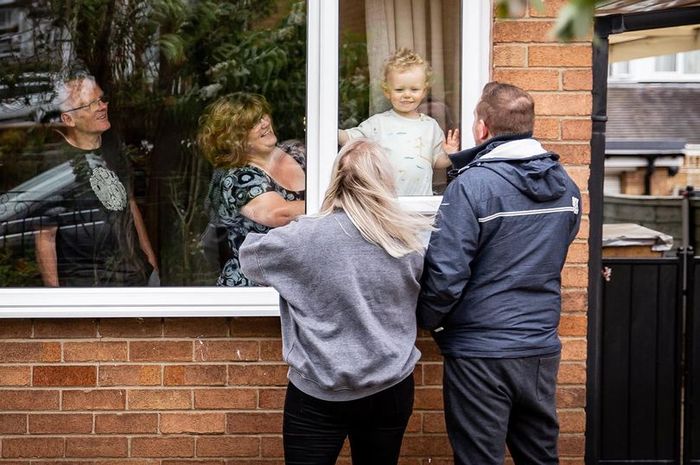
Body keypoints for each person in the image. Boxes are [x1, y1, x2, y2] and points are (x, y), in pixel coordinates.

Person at [416, 82, 582, 465]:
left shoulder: (472, 186)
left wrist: (429, 321)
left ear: (483, 128)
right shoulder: (567, 187)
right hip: (538, 347)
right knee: (539, 456)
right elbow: (556, 248)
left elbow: (445, 273)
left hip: (480, 352)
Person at [238, 139, 432, 465]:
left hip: (318, 391)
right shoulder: (413, 239)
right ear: (385, 182)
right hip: (390, 387)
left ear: (337, 179)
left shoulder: (303, 238)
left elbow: (250, 259)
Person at [34, 73, 158, 287]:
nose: (102, 106)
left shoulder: (113, 150)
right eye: (90, 104)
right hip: (87, 289)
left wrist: (151, 264)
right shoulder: (55, 164)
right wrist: (54, 298)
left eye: (101, 99)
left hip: (133, 279)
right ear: (68, 119)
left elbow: (130, 207)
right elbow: (45, 237)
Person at [197, 92, 305, 286]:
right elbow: (280, 214)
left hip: (296, 278)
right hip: (255, 290)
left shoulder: (297, 152)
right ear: (234, 139)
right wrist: (338, 201)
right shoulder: (238, 178)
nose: (264, 123)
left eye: (263, 115)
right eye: (252, 123)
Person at [338, 48, 459, 196]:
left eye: (414, 89)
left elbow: (437, 162)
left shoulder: (430, 126)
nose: (407, 95)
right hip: (387, 203)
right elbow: (349, 138)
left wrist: (449, 155)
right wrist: (328, 129)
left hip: (421, 203)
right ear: (387, 91)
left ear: (424, 91)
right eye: (399, 90)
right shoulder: (378, 123)